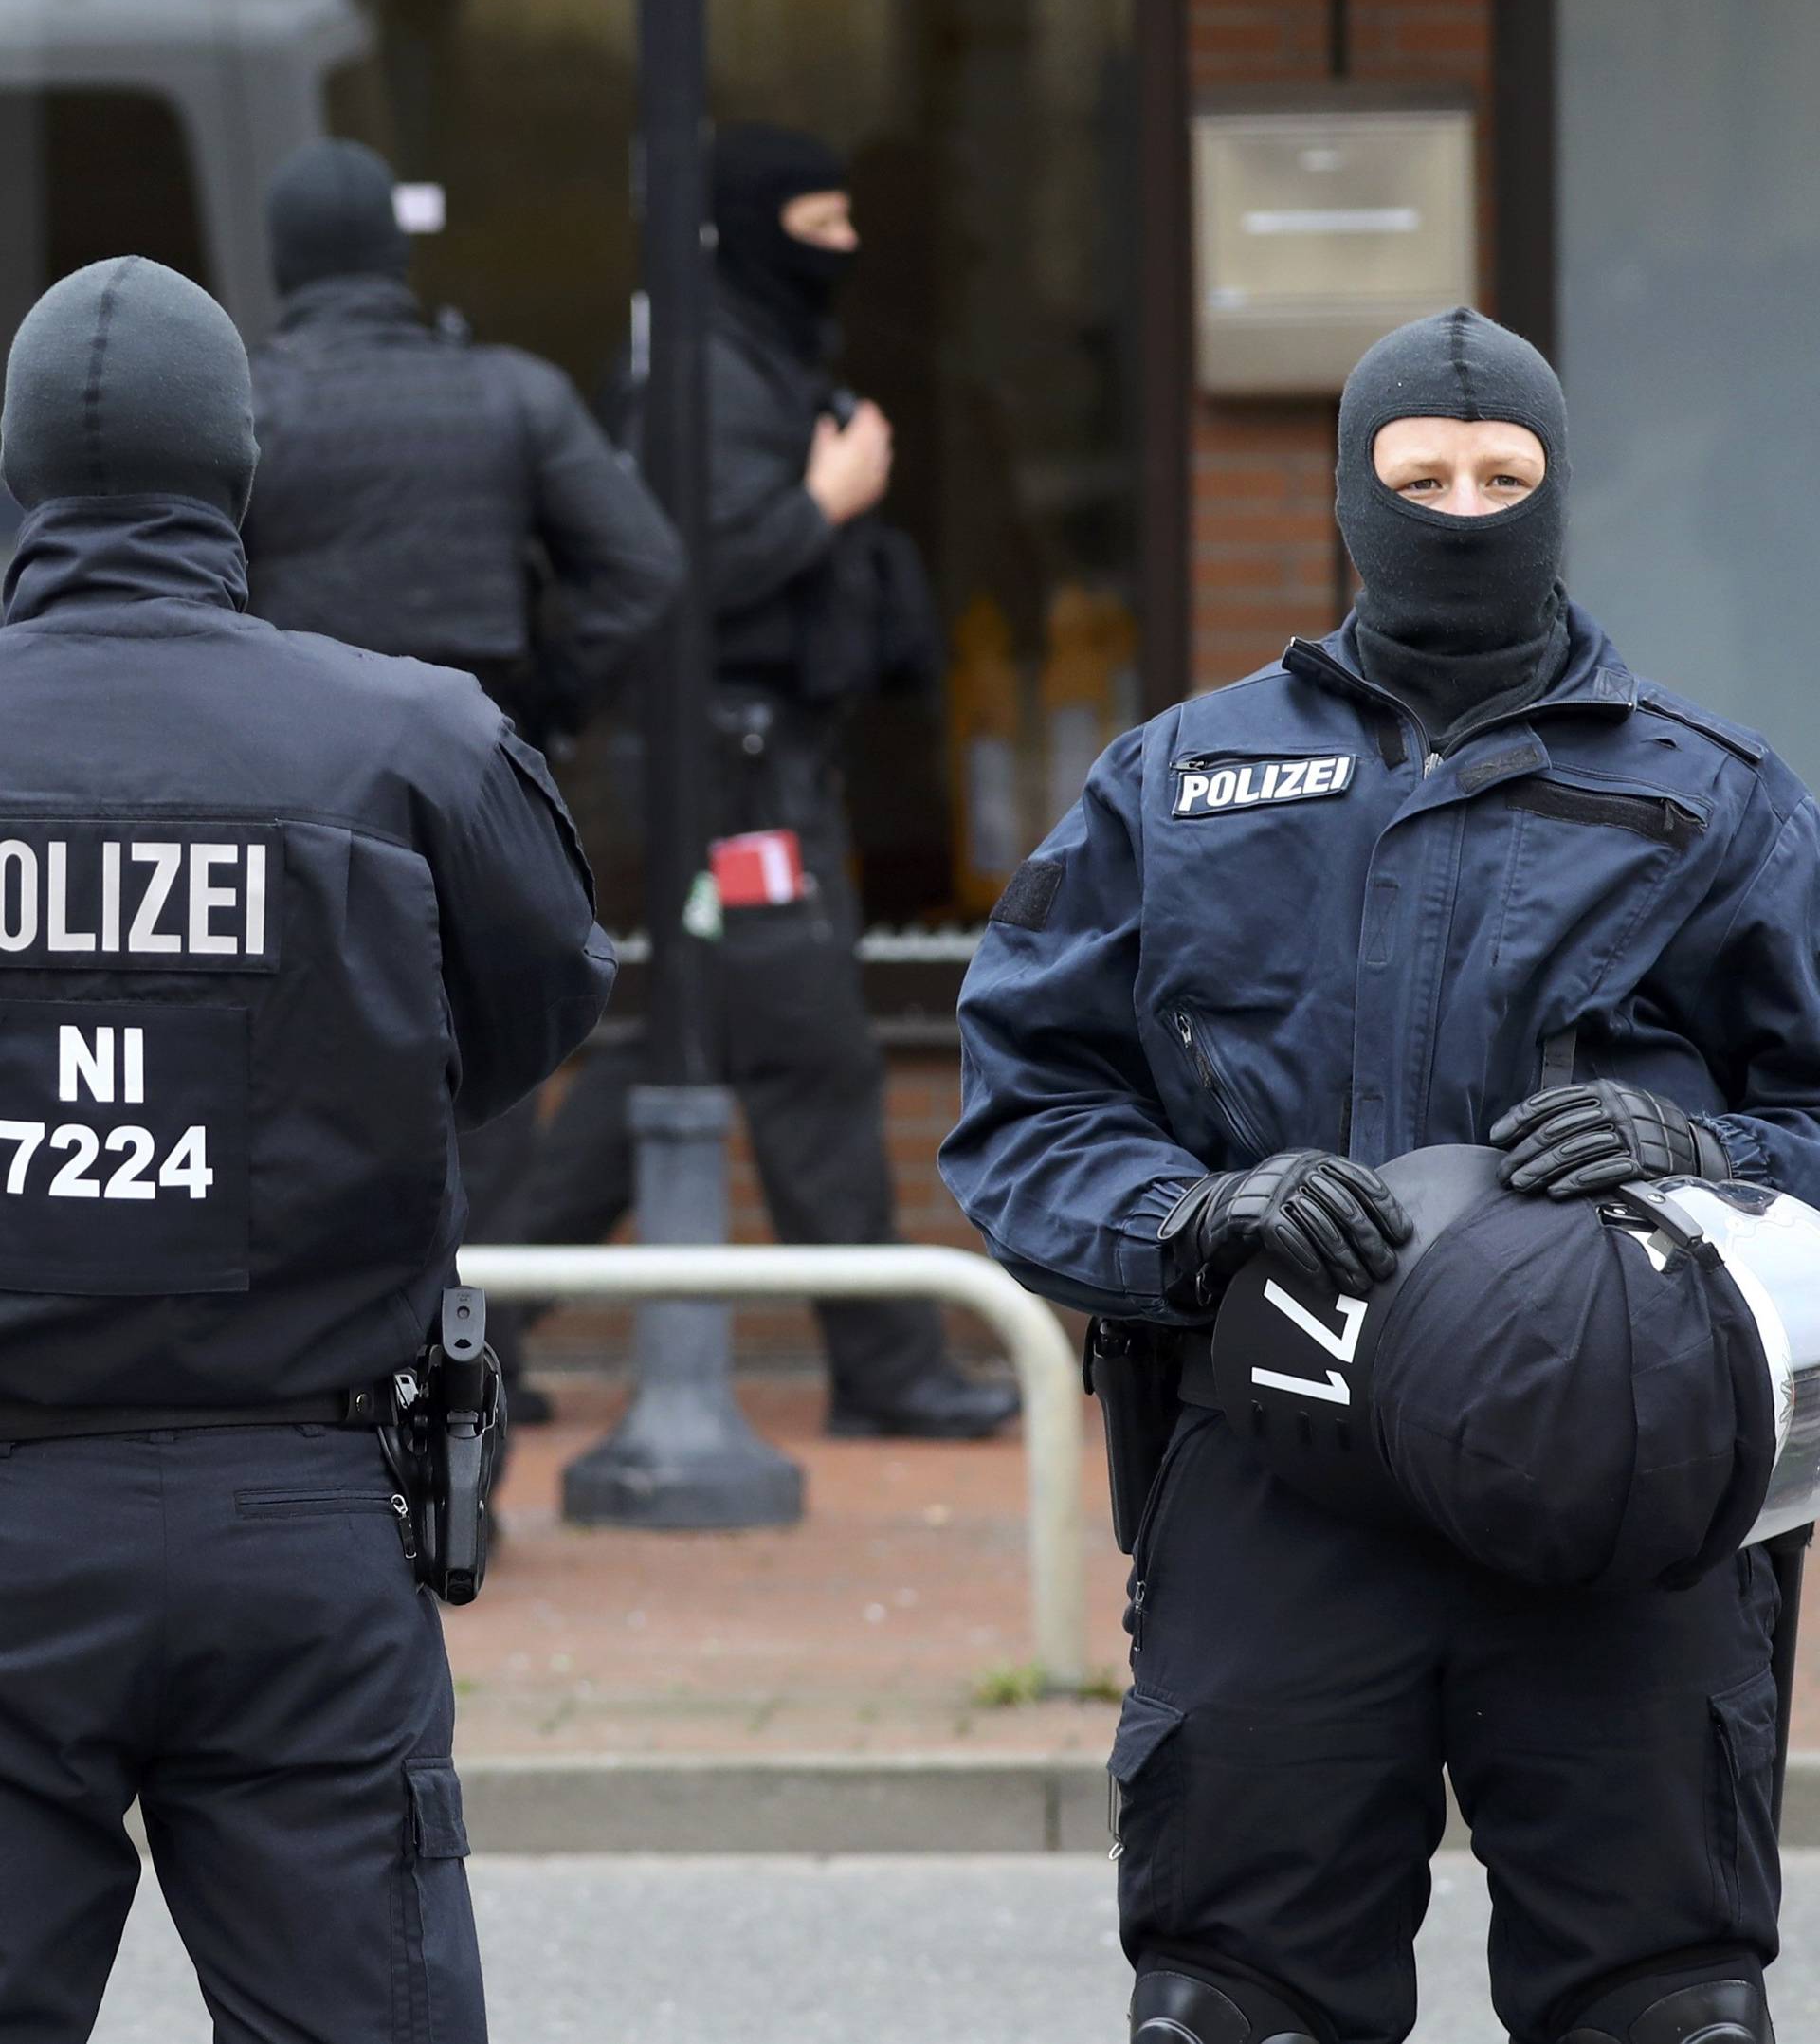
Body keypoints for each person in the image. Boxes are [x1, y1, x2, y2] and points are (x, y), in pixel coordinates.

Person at [940, 307, 1820, 2043]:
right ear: (1352, 493)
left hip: (1621, 1491)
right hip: (1279, 1476)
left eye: (1506, 477)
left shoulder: (1709, 798)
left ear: (1561, 498)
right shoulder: (1176, 784)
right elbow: (1024, 1104)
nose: (1465, 509)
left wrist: (1706, 1154)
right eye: (1422, 476)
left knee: (1666, 2009)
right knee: (1231, 2006)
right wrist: (1189, 1220)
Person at [0, 256, 615, 2037]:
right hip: (300, 1516)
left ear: (21, 468)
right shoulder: (409, 741)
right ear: (242, 469)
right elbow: (526, 1018)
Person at [491, 123, 1018, 1440]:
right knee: (818, 1058)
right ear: (752, 231)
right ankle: (887, 1366)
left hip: (754, 761)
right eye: (821, 227)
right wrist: (830, 501)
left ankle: (472, 1323)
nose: (844, 252)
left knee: (665, 1051)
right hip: (727, 775)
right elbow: (680, 573)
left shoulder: (746, 355)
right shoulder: (699, 374)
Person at [240, 137, 682, 1341]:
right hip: (474, 782)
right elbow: (641, 567)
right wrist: (543, 700)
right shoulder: (514, 392)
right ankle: (479, 1405)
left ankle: (331, 1366)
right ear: (395, 252)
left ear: (285, 264)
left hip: (293, 791)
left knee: (295, 1069)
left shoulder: (253, 403)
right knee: (480, 1081)